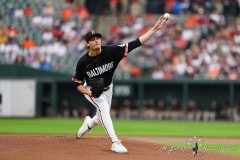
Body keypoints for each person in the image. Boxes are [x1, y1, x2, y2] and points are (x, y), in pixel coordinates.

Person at [72, 16, 167, 153]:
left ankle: (88, 124)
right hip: (91, 90)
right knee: (103, 107)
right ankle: (115, 142)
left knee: (100, 117)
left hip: (108, 87)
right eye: (92, 39)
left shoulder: (112, 51)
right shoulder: (83, 62)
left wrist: (154, 29)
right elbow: (77, 83)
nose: (96, 40)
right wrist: (89, 93)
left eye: (98, 38)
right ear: (87, 44)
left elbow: (136, 43)